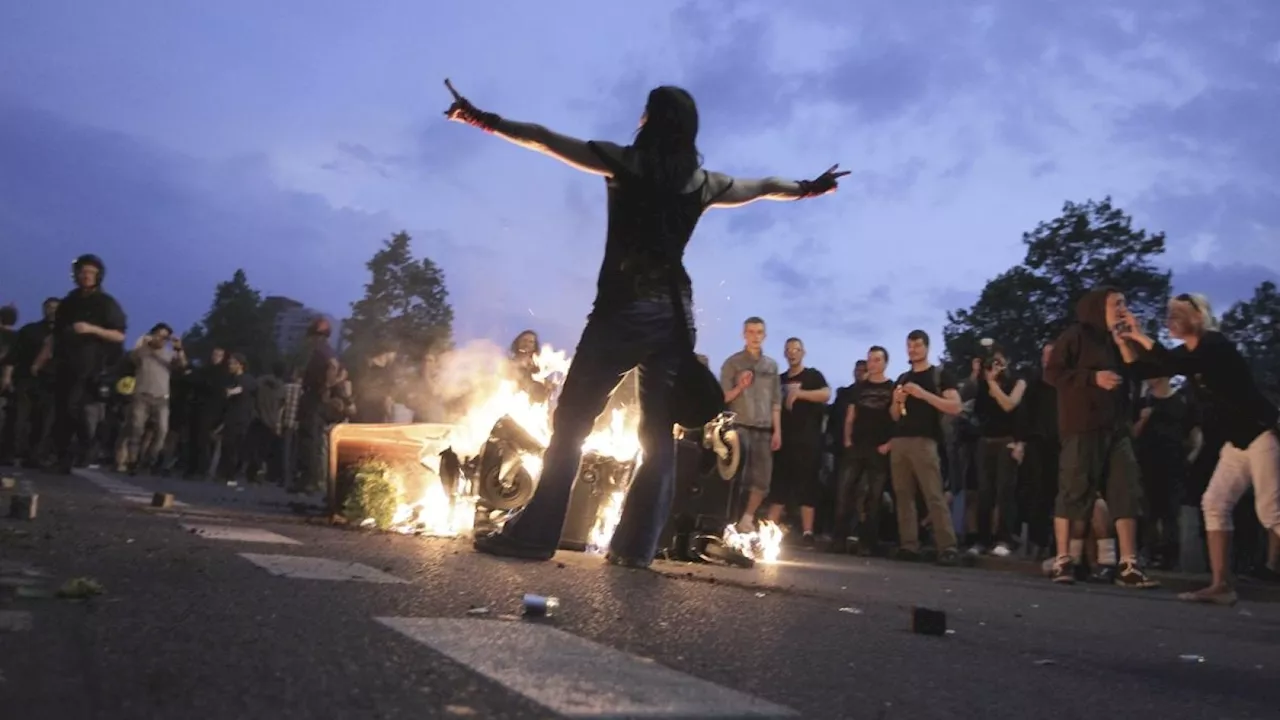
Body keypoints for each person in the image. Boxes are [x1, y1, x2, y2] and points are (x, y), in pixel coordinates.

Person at [443, 81, 849, 566]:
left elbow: (544, 138)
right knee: (658, 435)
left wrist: (480, 118)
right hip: (674, 317)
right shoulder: (702, 183)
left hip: (621, 308)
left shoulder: (622, 162)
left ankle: (535, 535)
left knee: (572, 422)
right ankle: (636, 549)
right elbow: (763, 187)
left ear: (650, 120)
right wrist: (808, 188)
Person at [1117, 293, 1279, 604]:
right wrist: (1126, 341)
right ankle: (1222, 585)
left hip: (1261, 433)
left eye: (1180, 313)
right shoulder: (1188, 353)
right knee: (1214, 502)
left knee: (1270, 513)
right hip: (1237, 442)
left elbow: (1171, 362)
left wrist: (1138, 333)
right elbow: (1143, 370)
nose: (1172, 318)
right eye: (1170, 314)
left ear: (1200, 317)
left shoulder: (1215, 345)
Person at [1044, 287, 1160, 588]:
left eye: (1125, 302)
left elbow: (1141, 372)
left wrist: (1127, 340)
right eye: (1116, 303)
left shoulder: (1120, 339)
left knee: (1126, 489)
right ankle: (1063, 560)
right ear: (1098, 307)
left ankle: (1128, 564)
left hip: (1117, 426)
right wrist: (1092, 378)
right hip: (1082, 425)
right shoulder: (1076, 335)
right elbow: (1053, 373)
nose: (1123, 307)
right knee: (1074, 490)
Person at [33, 255, 127, 474]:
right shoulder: (69, 301)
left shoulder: (106, 303)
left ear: (98, 276)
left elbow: (119, 335)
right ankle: (59, 454)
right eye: (83, 272)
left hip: (90, 364)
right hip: (64, 362)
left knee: (73, 408)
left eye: (91, 272)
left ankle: (76, 451)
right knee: (58, 409)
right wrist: (41, 360)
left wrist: (92, 329)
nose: (86, 276)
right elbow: (54, 336)